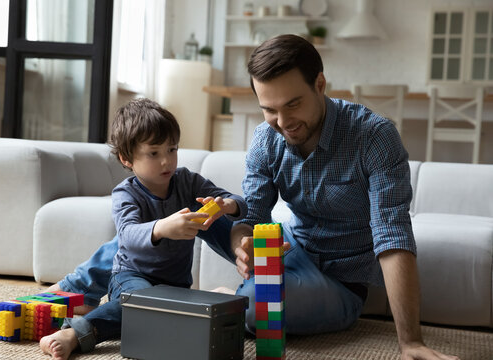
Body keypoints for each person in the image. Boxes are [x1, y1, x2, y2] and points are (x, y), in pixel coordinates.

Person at [230, 34, 458, 360]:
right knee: (205, 211)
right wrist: (242, 245)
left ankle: (231, 300)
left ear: (320, 84)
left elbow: (392, 234)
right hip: (289, 251)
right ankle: (235, 297)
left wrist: (411, 342)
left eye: (293, 104)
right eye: (269, 109)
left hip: (339, 283)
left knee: (257, 309)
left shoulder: (374, 136)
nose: (283, 122)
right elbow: (250, 217)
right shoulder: (266, 139)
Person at [40, 98, 247, 359]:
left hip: (175, 288)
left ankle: (207, 299)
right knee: (142, 305)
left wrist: (227, 204)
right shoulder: (126, 193)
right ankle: (74, 333)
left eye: (172, 149)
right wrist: (161, 228)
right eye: (154, 153)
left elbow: (241, 203)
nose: (166, 161)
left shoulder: (188, 182)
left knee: (173, 320)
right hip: (131, 278)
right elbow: (127, 235)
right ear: (126, 158)